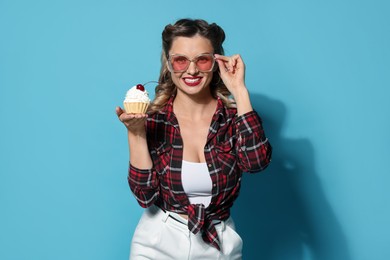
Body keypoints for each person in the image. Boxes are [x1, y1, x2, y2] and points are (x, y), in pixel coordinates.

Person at [116, 18, 272, 260]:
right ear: (169, 64)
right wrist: (136, 132)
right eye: (180, 60)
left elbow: (256, 162)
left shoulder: (233, 119)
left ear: (216, 62)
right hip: (158, 240)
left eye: (202, 59)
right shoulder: (154, 119)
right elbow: (144, 196)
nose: (191, 70)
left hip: (218, 242)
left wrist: (239, 90)